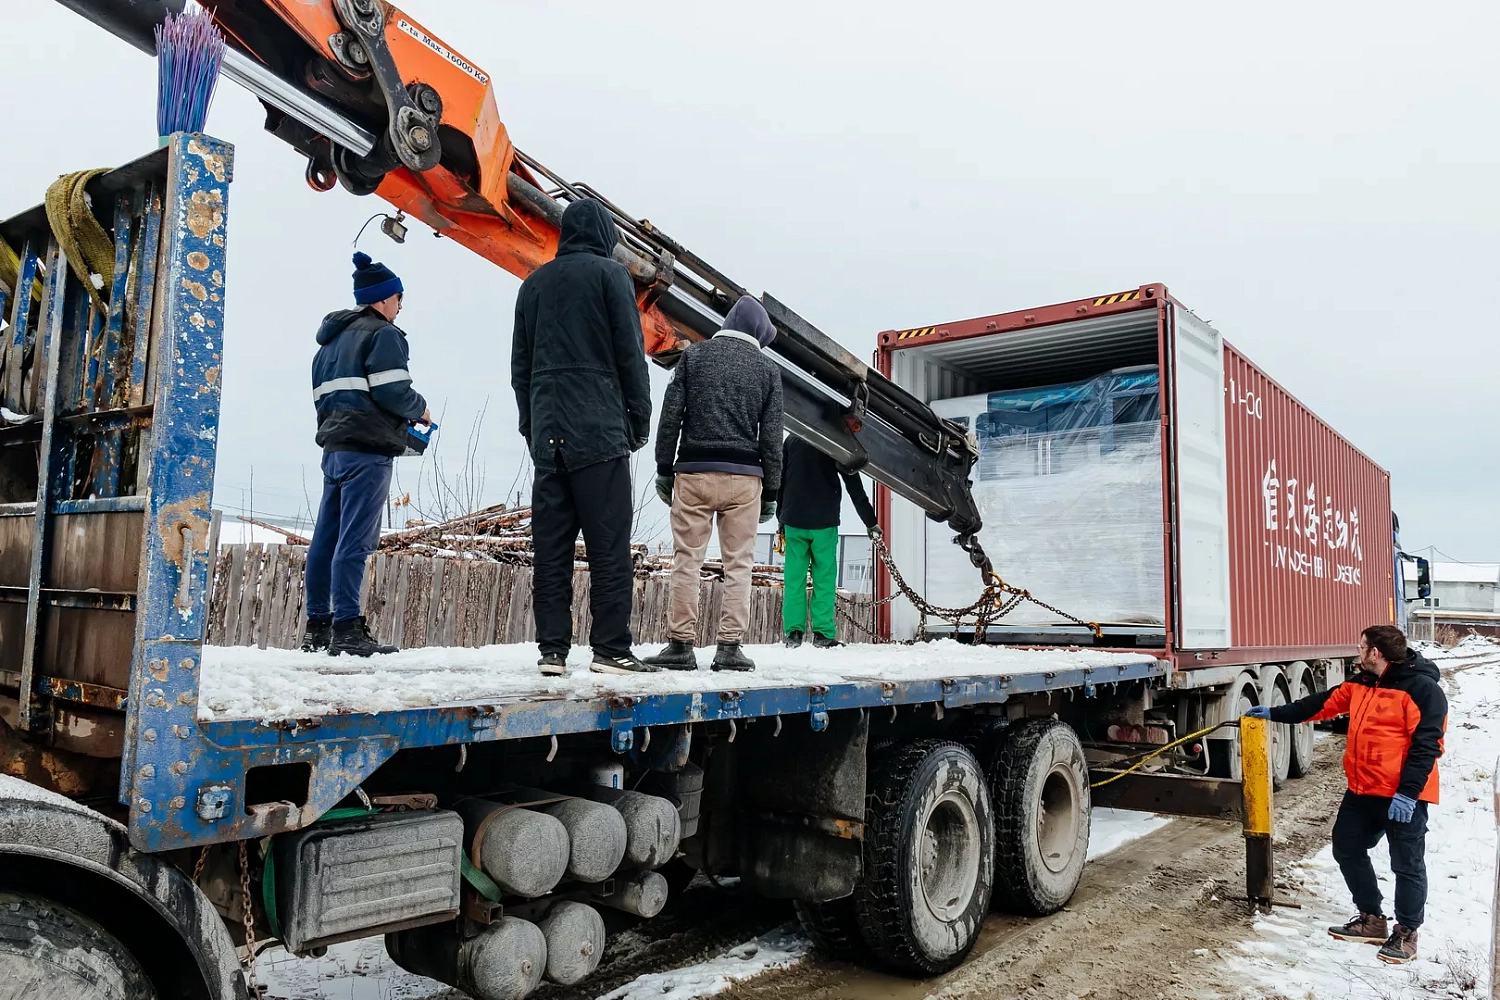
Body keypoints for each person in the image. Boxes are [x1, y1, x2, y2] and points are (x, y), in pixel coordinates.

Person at [1245, 624, 1446, 964]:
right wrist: (1275, 713)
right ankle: (1371, 919)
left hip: (1403, 796)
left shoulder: (1423, 690)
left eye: (1361, 647)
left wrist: (1408, 793)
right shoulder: (1361, 683)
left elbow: (1428, 745)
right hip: (1362, 790)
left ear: (1375, 653)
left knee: (1406, 864)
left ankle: (1407, 932)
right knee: (1347, 847)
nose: (1357, 652)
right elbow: (1321, 704)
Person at [512, 199, 654, 676]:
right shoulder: (611, 277)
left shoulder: (532, 285)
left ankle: (552, 651)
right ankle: (611, 650)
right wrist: (638, 422)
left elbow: (521, 368)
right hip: (599, 430)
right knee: (608, 546)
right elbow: (630, 356)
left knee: (550, 550)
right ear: (603, 233)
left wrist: (531, 426)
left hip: (549, 433)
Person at [644, 296, 783, 672]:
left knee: (687, 560)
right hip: (744, 481)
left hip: (694, 472)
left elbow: (670, 417)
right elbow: (771, 439)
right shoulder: (768, 371)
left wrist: (663, 468)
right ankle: (729, 648)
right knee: (739, 565)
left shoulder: (694, 357)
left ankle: (680, 645)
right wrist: (771, 491)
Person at [303, 252, 429, 657]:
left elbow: (326, 400)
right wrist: (419, 408)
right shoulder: (384, 335)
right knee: (355, 540)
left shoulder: (329, 344)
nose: (400, 307)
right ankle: (347, 629)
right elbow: (392, 391)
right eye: (398, 299)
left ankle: (317, 627)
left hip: (335, 448)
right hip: (368, 452)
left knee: (325, 539)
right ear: (382, 299)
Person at [777, 437, 878, 648]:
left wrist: (781, 518)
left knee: (794, 580)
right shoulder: (833, 441)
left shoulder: (792, 440)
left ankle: (794, 634)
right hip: (824, 521)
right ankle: (822, 634)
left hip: (794, 519)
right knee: (824, 579)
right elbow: (854, 485)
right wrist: (870, 522)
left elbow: (781, 479)